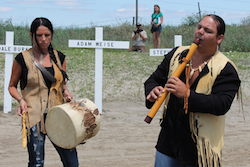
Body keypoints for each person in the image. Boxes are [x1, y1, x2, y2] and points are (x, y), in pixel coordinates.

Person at [144, 14, 241, 167]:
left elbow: (222, 104)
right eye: (199, 27)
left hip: (200, 150)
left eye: (207, 31)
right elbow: (153, 80)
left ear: (219, 38)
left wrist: (187, 94)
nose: (200, 32)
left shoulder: (226, 68)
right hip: (168, 142)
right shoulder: (177, 55)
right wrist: (152, 92)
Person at [8, 17, 79, 167]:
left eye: (47, 35)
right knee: (37, 163)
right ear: (31, 35)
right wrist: (20, 100)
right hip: (34, 118)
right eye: (39, 35)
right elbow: (12, 86)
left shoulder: (59, 57)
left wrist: (66, 92)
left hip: (59, 116)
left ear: (51, 35)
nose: (43, 39)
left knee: (72, 162)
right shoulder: (22, 59)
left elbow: (62, 84)